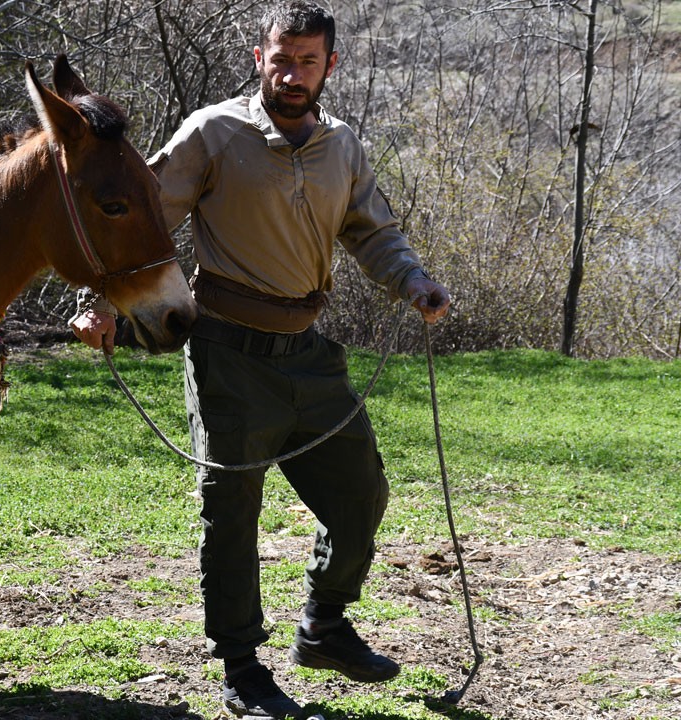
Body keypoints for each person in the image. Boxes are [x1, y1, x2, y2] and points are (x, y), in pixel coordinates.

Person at [70, 2, 451, 718]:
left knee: (360, 496)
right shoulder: (215, 133)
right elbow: (142, 223)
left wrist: (414, 281)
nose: (293, 72)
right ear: (259, 57)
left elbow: (374, 233)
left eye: (308, 60)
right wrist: (101, 303)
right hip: (226, 353)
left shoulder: (342, 145)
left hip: (308, 356)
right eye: (282, 57)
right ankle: (243, 671)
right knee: (233, 516)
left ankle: (325, 626)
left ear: (330, 65)